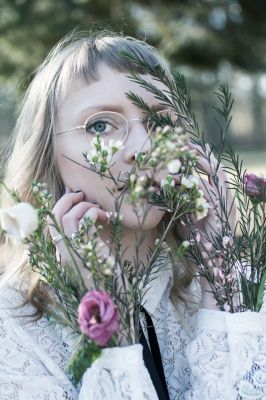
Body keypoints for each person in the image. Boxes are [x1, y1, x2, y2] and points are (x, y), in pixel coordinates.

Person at [0, 31, 266, 400]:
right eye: (100, 125)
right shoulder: (12, 325)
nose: (143, 149)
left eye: (159, 124)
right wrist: (112, 330)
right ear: (48, 155)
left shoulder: (220, 292)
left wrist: (218, 280)